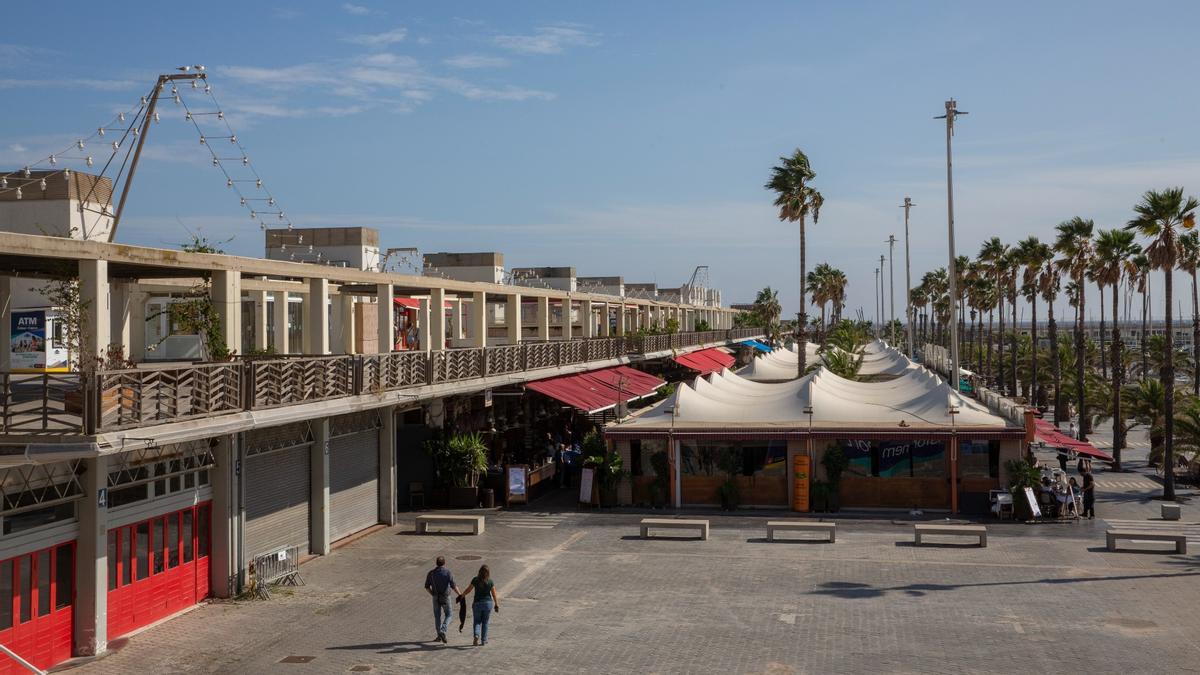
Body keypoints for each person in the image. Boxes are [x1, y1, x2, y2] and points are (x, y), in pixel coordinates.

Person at [458, 564, 500, 646]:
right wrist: (496, 604)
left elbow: (469, 589)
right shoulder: (490, 581)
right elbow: (494, 594)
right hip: (488, 604)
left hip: (477, 604)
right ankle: (484, 640)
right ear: (488, 573)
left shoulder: (475, 580)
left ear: (479, 572)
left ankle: (476, 635)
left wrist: (462, 595)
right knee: (485, 622)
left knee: (477, 621)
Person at [424, 556, 460, 644]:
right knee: (449, 614)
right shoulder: (448, 573)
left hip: (435, 596)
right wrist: (460, 594)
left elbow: (427, 587)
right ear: (444, 563)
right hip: (445, 597)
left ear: (436, 563)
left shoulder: (431, 573)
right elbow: (453, 586)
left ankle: (439, 635)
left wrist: (433, 593)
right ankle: (443, 631)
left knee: (437, 616)